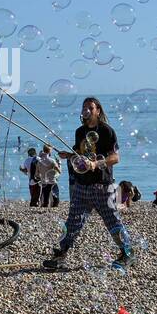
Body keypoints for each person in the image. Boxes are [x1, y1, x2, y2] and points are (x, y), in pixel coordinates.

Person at [42, 97, 133, 270]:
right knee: (73, 222)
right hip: (81, 185)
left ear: (98, 110)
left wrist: (95, 164)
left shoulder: (107, 131)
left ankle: (127, 253)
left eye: (90, 107)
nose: (87, 110)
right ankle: (60, 256)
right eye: (84, 107)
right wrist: (69, 155)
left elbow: (115, 158)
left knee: (112, 220)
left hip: (102, 185)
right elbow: (80, 155)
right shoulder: (79, 132)